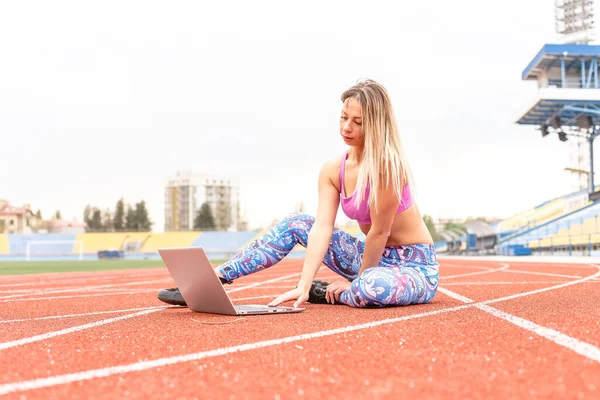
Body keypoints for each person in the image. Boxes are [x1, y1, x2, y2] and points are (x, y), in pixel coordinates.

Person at [157, 79, 439, 309]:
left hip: (414, 267)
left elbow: (379, 233)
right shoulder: (333, 169)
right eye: (343, 118)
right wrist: (303, 284)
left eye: (358, 122)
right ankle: (216, 277)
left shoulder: (387, 166)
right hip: (371, 258)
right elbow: (321, 228)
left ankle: (337, 293)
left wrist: (356, 281)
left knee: (371, 287)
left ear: (376, 124)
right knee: (296, 223)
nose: (346, 127)